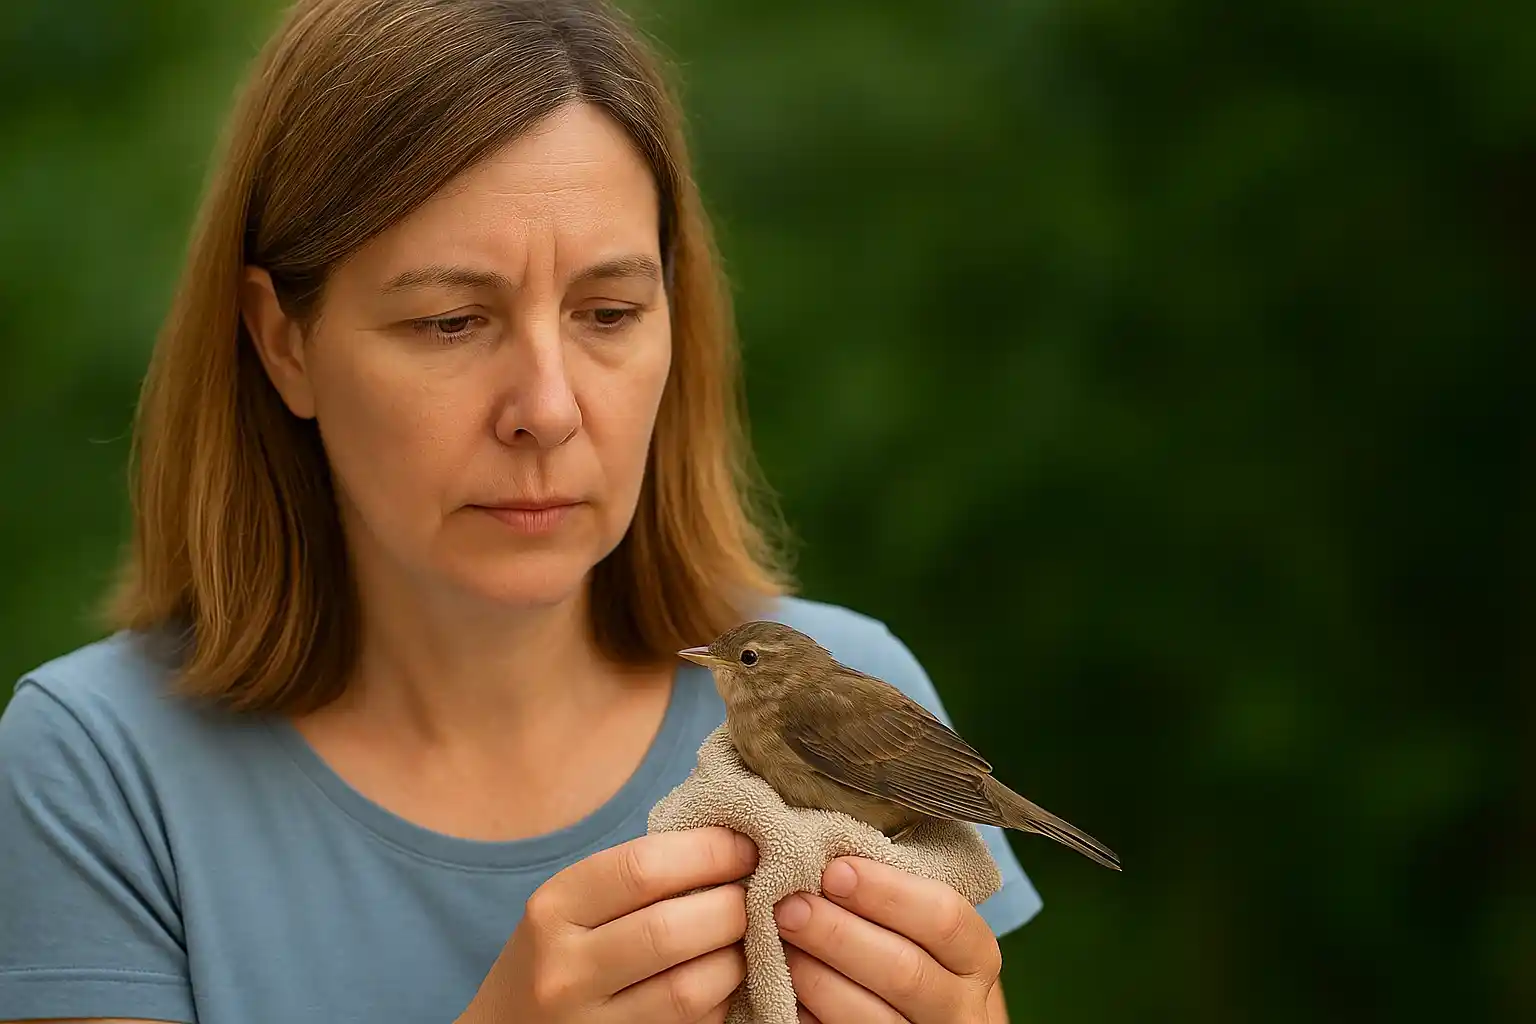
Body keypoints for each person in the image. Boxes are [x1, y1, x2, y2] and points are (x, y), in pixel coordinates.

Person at [0, 1, 1043, 1021]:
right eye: (450, 321)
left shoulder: (867, 677)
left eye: (608, 313)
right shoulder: (94, 770)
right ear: (284, 342)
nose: (547, 408)